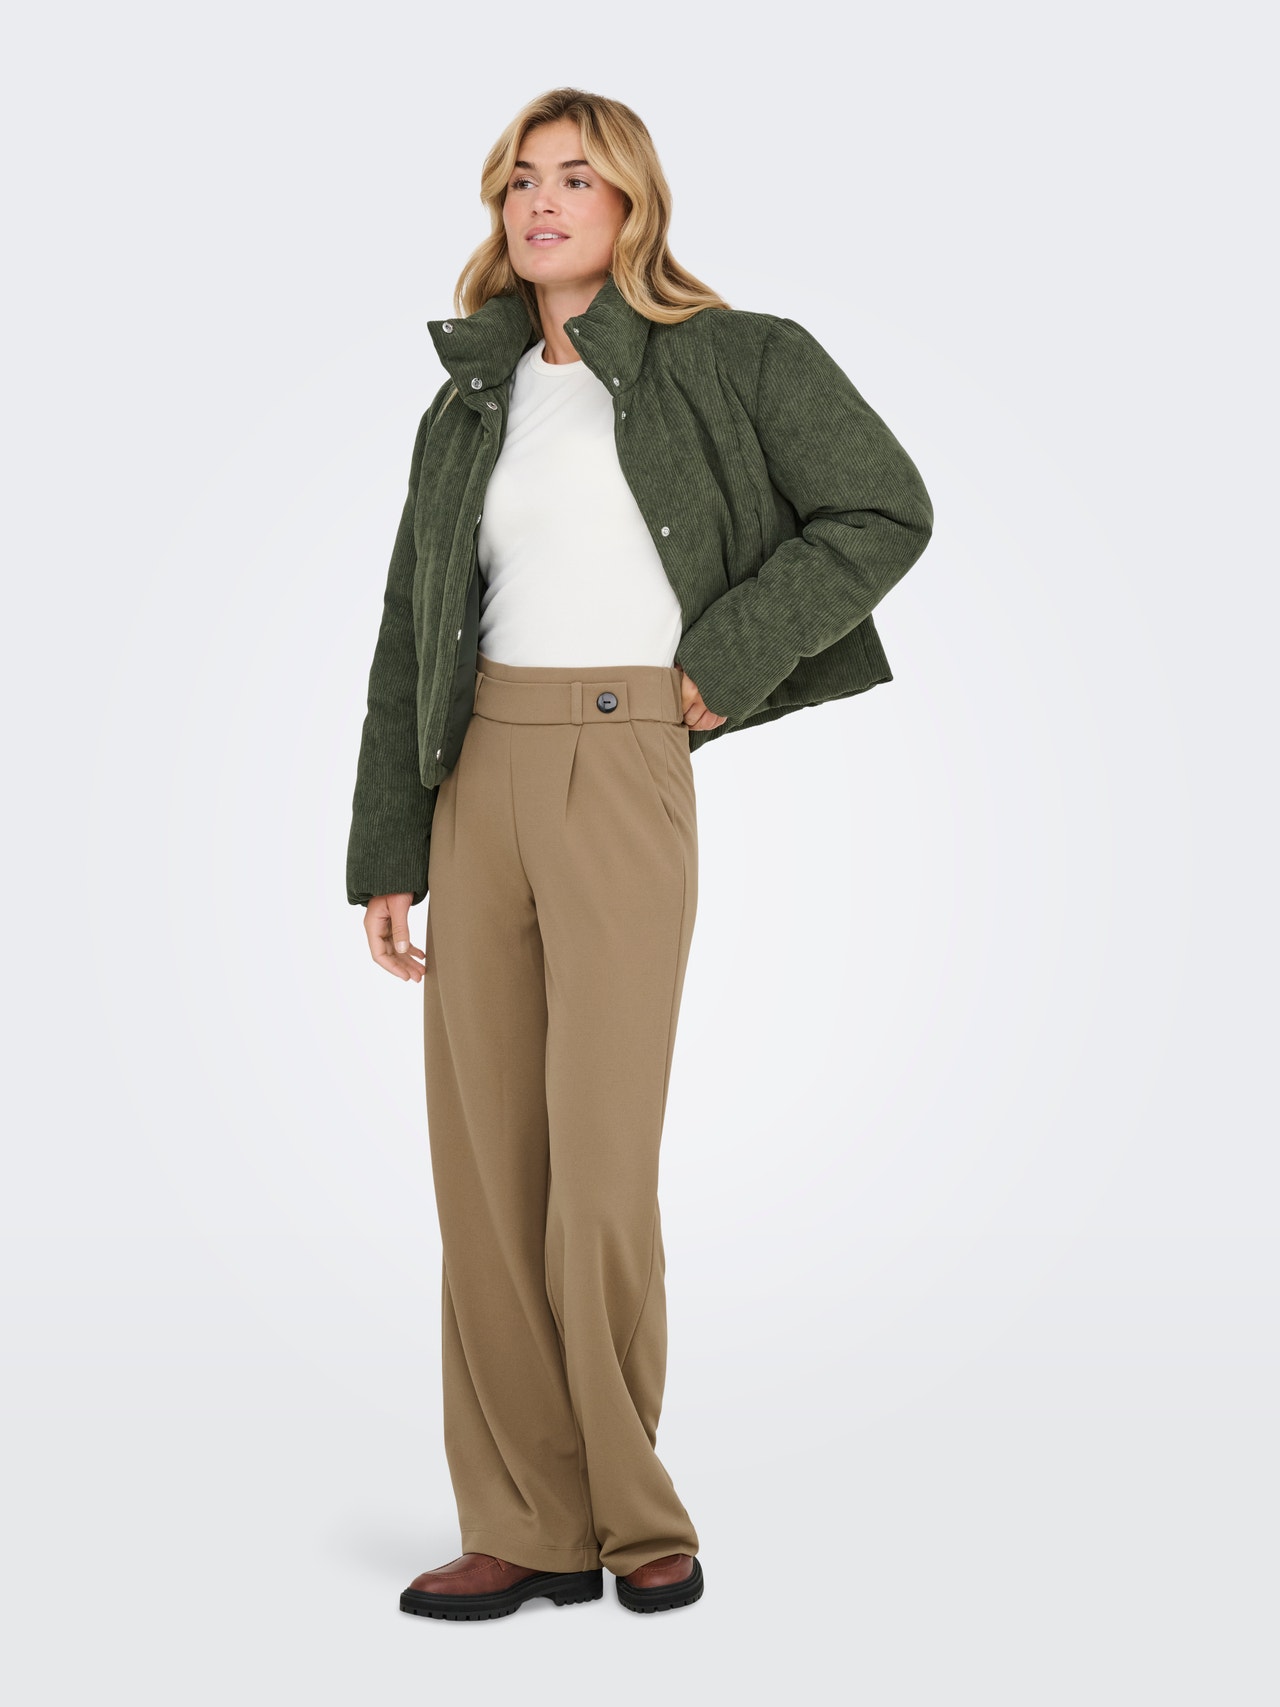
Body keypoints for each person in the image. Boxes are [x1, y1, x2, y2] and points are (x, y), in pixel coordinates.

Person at [346, 86, 934, 1622]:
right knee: (487, 1177)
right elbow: (409, 630)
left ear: (631, 205)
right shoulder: (470, 402)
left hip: (623, 762)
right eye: (520, 181)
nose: (542, 203)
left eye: (576, 177)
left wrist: (721, 664)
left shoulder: (738, 359)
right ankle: (524, 1523)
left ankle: (630, 1507)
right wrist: (388, 847)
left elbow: (883, 508)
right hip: (475, 773)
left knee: (597, 1169)